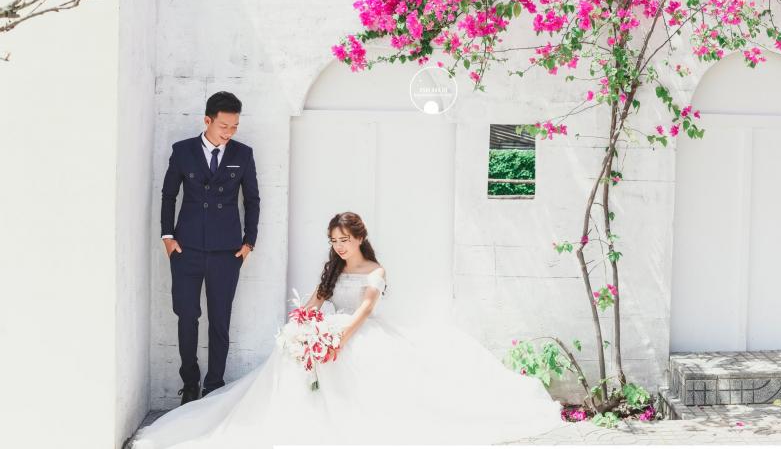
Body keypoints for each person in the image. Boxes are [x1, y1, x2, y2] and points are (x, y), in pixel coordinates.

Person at [132, 212, 563, 448]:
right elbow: (315, 301)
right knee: (289, 356)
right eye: (333, 240)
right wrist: (300, 326)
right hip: (327, 331)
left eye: (344, 239)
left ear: (359, 238)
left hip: (358, 333)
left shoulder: (375, 270)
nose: (338, 246)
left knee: (352, 366)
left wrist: (339, 338)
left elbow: (365, 311)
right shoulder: (334, 268)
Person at [159, 91, 260, 405]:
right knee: (187, 316)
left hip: (227, 253)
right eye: (223, 126)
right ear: (207, 120)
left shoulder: (243, 154)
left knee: (220, 320)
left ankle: (214, 385)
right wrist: (168, 237)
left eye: (234, 126)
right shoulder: (183, 151)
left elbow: (252, 199)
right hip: (186, 250)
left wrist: (249, 242)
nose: (229, 132)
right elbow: (168, 195)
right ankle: (190, 383)